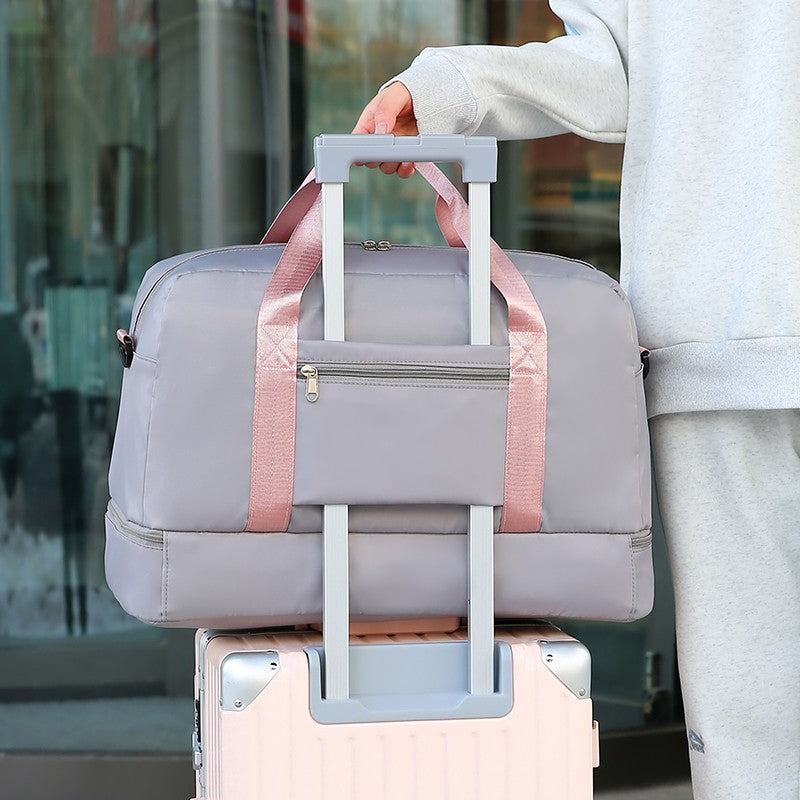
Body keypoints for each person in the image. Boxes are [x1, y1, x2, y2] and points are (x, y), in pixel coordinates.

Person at [353, 3, 800, 799]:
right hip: (720, 337)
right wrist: (450, 85)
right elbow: (612, 71)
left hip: (721, 325)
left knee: (749, 724)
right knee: (746, 723)